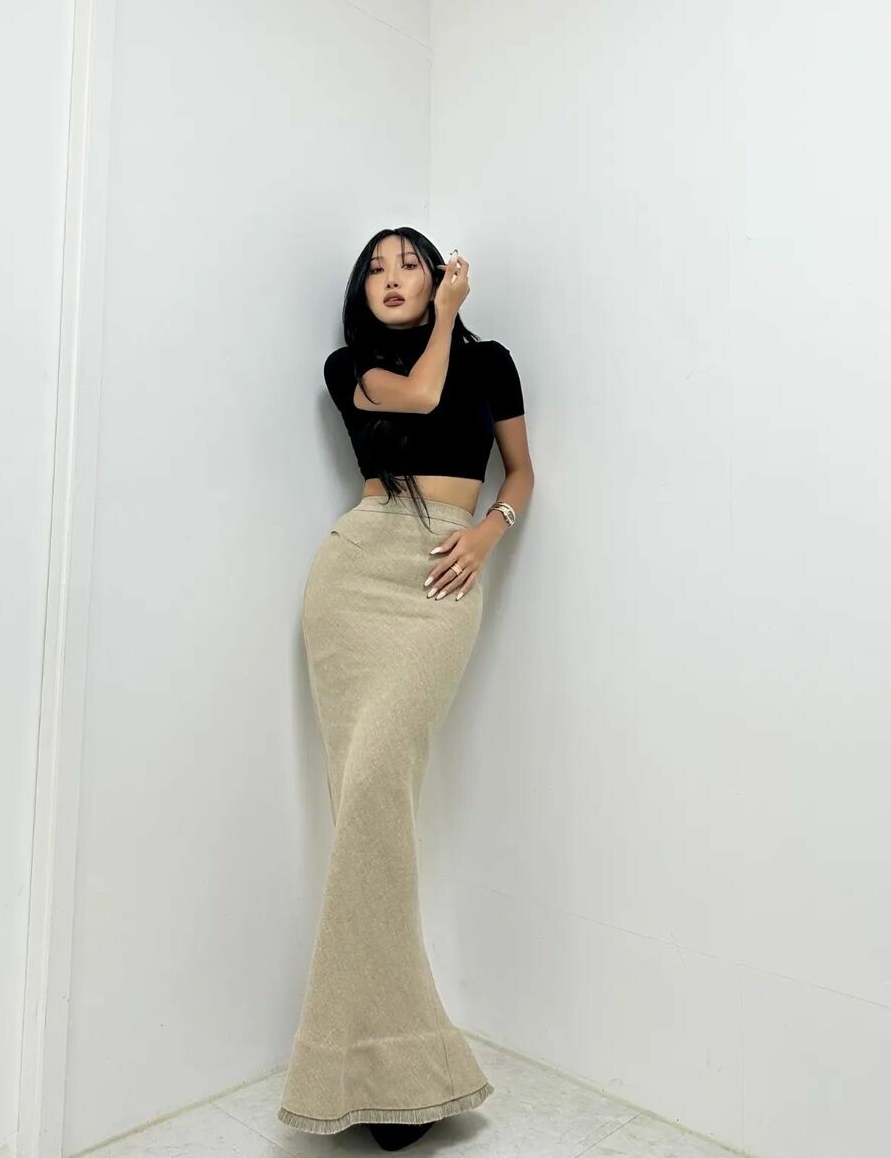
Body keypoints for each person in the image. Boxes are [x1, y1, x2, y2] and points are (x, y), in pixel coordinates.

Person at [277, 227, 535, 1151]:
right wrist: (448, 315)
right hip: (355, 573)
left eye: (409, 264)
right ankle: (392, 1073)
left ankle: (371, 1070)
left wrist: (490, 532)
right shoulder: (350, 366)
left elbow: (523, 470)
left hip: (441, 576)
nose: (391, 279)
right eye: (375, 269)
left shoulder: (491, 362)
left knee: (377, 795)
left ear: (434, 275)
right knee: (366, 807)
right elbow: (422, 395)